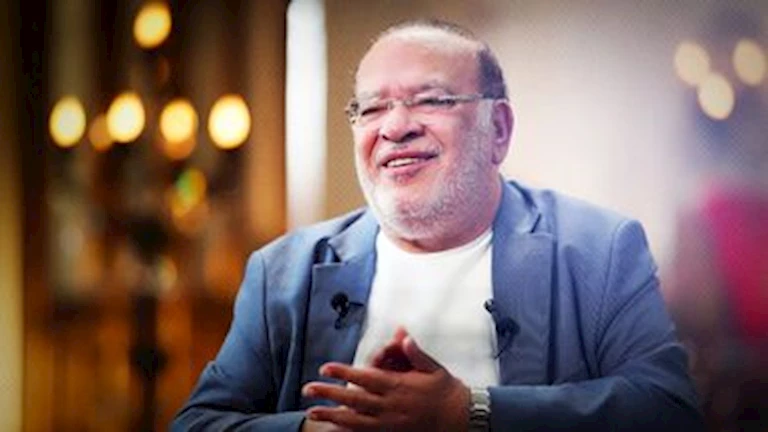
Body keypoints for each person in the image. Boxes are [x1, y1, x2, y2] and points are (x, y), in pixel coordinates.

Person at [173, 20, 702, 431]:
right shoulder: (283, 272)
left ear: (498, 129)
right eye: (372, 108)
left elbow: (668, 410)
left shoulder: (599, 250)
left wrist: (469, 413)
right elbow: (198, 423)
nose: (395, 127)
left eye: (431, 100)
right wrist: (319, 429)